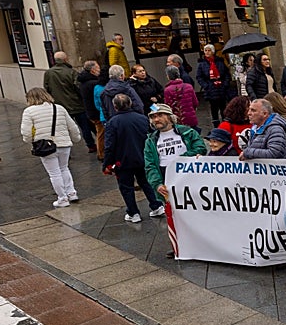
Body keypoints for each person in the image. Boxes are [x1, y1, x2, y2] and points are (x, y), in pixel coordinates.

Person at [143, 102, 206, 256]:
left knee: (197, 210)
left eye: (160, 115)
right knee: (175, 213)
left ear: (170, 117)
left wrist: (179, 161)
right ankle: (180, 245)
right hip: (166, 178)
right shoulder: (150, 140)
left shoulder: (187, 132)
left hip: (188, 176)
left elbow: (200, 148)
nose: (156, 119)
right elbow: (150, 165)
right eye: (153, 117)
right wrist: (157, 184)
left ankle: (204, 243)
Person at [103, 94, 162, 222]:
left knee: (126, 187)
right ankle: (156, 205)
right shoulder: (142, 118)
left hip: (122, 161)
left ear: (115, 106)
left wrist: (107, 164)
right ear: (130, 103)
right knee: (146, 182)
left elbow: (109, 146)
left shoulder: (112, 123)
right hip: (142, 157)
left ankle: (133, 212)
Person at [20, 87, 81, 207]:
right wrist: (76, 138)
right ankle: (72, 193)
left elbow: (26, 132)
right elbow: (72, 126)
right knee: (64, 168)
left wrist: (30, 141)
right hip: (64, 144)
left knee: (54, 173)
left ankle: (62, 199)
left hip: (45, 146)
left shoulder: (29, 111)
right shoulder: (59, 108)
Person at [44, 51, 93, 153]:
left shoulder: (48, 73)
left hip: (60, 106)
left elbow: (46, 88)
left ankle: (65, 149)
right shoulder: (71, 72)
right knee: (85, 126)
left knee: (63, 129)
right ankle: (91, 145)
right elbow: (78, 87)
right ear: (65, 59)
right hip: (76, 104)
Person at [197, 44, 232, 127]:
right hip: (210, 88)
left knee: (223, 107)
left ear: (213, 52)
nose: (207, 52)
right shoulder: (202, 64)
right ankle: (216, 125)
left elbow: (226, 74)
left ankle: (225, 125)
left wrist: (225, 83)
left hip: (221, 87)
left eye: (209, 50)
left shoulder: (220, 62)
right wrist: (206, 86)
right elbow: (199, 77)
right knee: (213, 108)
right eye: (206, 50)